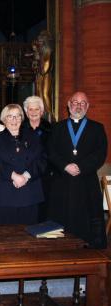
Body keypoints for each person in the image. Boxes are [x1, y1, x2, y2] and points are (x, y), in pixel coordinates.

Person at [47, 92, 108, 249]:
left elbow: (100, 154)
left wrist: (81, 166)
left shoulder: (97, 128)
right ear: (68, 105)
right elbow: (51, 152)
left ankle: (87, 252)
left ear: (87, 106)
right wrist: (65, 166)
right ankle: (60, 251)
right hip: (62, 182)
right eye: (75, 102)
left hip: (86, 182)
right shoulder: (57, 128)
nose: (78, 105)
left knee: (87, 220)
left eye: (83, 103)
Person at [0, 104, 46, 225]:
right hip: (5, 194)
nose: (14, 120)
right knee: (7, 236)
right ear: (3, 119)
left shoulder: (34, 136)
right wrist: (13, 175)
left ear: (22, 118)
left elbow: (42, 160)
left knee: (29, 236)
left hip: (30, 193)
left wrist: (26, 176)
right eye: (10, 116)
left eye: (17, 116)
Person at [23, 95, 53, 222]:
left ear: (42, 111)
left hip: (44, 177)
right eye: (30, 109)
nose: (33, 112)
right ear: (26, 111)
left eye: (37, 109)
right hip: (25, 175)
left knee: (43, 212)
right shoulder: (20, 128)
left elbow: (52, 153)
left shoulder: (51, 129)